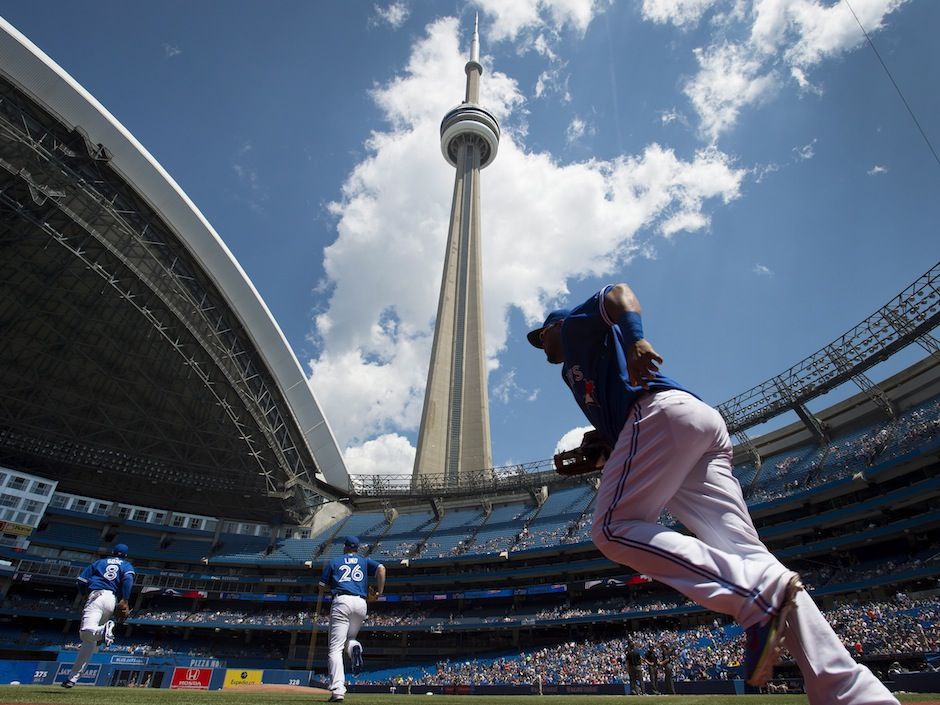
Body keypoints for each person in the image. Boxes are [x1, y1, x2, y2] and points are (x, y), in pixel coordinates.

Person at [528, 283, 899, 705]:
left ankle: (751, 595)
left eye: (541, 335)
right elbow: (619, 408)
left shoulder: (574, 330)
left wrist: (636, 340)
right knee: (749, 554)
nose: (540, 345)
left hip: (660, 413)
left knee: (611, 528)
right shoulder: (579, 370)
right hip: (692, 423)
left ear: (555, 326)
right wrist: (606, 441)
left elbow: (618, 294)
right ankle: (853, 693)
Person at [318, 536, 385, 702]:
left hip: (342, 600)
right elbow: (382, 569)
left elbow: (321, 585)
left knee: (335, 649)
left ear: (345, 547)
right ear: (357, 548)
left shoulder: (335, 561)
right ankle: (355, 648)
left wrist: (331, 587)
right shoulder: (364, 561)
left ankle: (338, 690)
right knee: (351, 638)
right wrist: (379, 593)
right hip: (361, 602)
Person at [62, 543, 134, 688]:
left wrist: (83, 595)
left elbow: (81, 581)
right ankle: (73, 678)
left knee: (85, 633)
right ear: (125, 555)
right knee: (89, 643)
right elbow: (128, 580)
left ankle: (105, 630)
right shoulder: (126, 565)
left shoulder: (99, 562)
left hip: (96, 596)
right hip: (111, 600)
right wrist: (125, 599)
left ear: (113, 552)